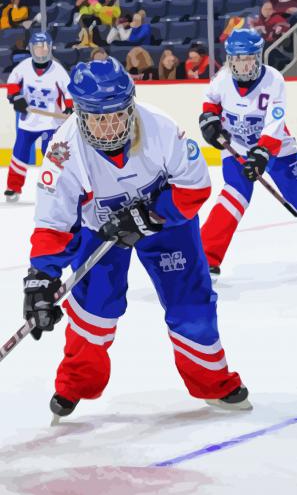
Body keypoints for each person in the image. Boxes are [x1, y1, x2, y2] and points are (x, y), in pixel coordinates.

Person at [23, 57, 251, 422]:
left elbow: (195, 187)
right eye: (98, 117)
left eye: (116, 114)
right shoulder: (63, 152)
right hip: (101, 230)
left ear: (130, 106)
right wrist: (41, 278)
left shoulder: (162, 128)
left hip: (166, 224)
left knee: (190, 301)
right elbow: (53, 223)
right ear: (80, 115)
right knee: (91, 311)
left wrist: (152, 215)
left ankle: (213, 382)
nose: (109, 126)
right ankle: (75, 384)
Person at [199, 29, 297, 278]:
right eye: (238, 59)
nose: (243, 64)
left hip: (278, 149)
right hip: (238, 148)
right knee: (233, 197)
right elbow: (210, 101)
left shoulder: (273, 80)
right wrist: (209, 120)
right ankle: (205, 260)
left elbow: (275, 122)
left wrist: (263, 152)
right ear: (230, 59)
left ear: (258, 56)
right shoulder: (221, 79)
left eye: (249, 57)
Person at [4, 32, 72, 202]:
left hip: (50, 123)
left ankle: (56, 186)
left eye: (44, 48)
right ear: (31, 49)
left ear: (49, 48)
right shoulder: (23, 67)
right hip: (28, 122)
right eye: (37, 48)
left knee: (51, 155)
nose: (41, 51)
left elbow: (68, 92)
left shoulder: (58, 70)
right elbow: (12, 84)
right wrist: (16, 98)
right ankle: (13, 187)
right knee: (19, 153)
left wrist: (69, 108)